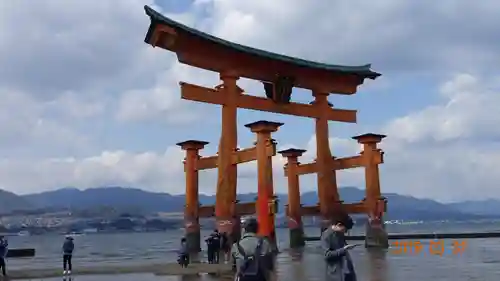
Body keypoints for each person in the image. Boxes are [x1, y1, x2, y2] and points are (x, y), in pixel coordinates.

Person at [320, 215, 358, 281]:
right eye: (345, 229)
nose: (345, 232)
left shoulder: (340, 233)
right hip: (336, 274)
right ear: (339, 224)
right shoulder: (326, 236)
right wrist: (343, 250)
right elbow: (327, 255)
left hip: (347, 272)